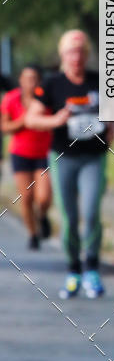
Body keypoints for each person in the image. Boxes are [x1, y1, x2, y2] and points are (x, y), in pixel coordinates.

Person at [26, 30, 113, 299]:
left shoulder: (99, 82)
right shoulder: (52, 84)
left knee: (90, 213)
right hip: (63, 157)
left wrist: (110, 130)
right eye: (70, 53)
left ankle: (92, 269)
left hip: (93, 157)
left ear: (86, 55)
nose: (75, 58)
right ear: (63, 56)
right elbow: (32, 119)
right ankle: (73, 269)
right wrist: (56, 120)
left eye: (80, 52)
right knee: (70, 217)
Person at [0, 65, 53, 249]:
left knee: (44, 197)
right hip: (20, 153)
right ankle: (32, 234)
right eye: (27, 79)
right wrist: (24, 121)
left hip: (43, 152)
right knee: (27, 197)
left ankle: (43, 215)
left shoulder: (45, 98)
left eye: (35, 79)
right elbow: (4, 126)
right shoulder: (11, 98)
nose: (31, 83)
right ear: (21, 81)